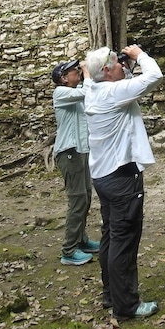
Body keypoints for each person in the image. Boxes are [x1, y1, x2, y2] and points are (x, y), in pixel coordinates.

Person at [84, 44, 163, 320]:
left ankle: (111, 294)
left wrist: (125, 64)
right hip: (122, 179)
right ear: (106, 70)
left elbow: (104, 76)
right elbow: (154, 76)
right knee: (124, 241)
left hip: (103, 176)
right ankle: (127, 306)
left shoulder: (92, 90)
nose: (122, 64)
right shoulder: (113, 93)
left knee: (110, 236)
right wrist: (140, 55)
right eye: (117, 63)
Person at [52, 58, 100, 266]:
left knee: (86, 197)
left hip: (81, 152)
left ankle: (81, 240)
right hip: (69, 153)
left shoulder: (76, 92)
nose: (78, 73)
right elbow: (86, 92)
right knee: (77, 199)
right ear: (63, 78)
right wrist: (88, 73)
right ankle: (68, 251)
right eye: (73, 72)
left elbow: (92, 92)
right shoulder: (61, 93)